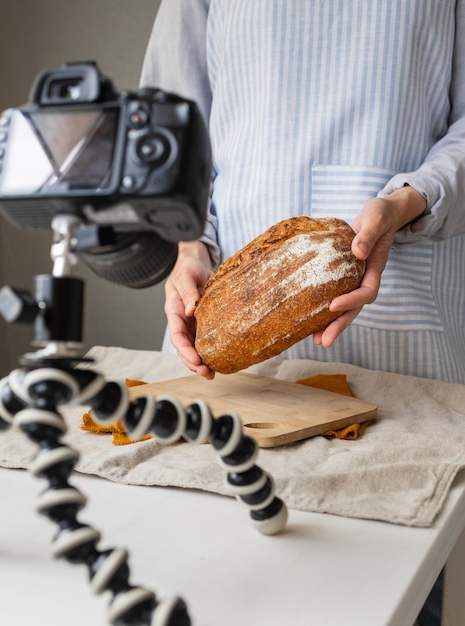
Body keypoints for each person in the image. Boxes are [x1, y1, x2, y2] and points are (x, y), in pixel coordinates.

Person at [140, 2, 465, 624]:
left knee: (383, 594)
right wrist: (189, 244)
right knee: (210, 585)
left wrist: (410, 200)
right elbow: (167, 127)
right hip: (228, 325)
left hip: (401, 337)